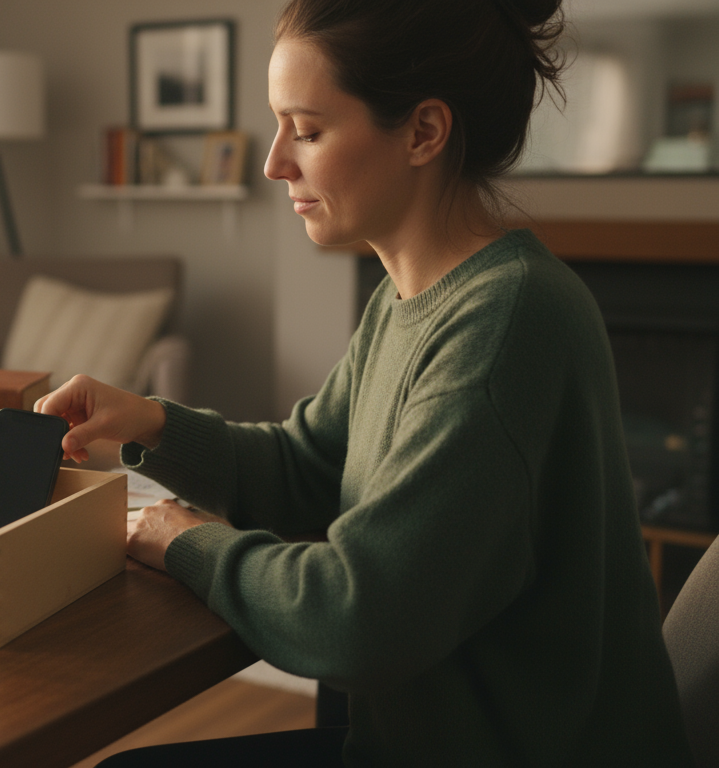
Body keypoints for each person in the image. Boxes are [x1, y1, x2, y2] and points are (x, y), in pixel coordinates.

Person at [37, 0, 695, 765]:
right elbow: (312, 466)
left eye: (308, 131)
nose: (274, 162)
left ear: (423, 132)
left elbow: (358, 620)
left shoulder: (509, 320)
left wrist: (188, 542)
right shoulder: (409, 296)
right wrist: (150, 421)